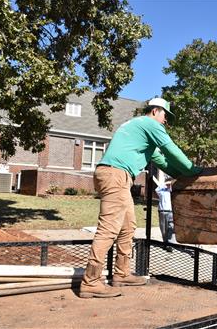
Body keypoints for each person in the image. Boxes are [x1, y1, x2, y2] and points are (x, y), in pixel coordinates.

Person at [79, 97, 202, 298]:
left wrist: (183, 175)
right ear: (155, 111)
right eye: (165, 116)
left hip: (116, 176)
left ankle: (121, 274)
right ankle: (91, 281)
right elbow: (171, 150)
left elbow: (163, 162)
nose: (166, 121)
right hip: (115, 175)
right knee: (108, 229)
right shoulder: (149, 124)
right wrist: (193, 170)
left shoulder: (139, 131)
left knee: (128, 226)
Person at [156, 180, 175, 251]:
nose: (168, 185)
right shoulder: (161, 191)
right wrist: (164, 183)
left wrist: (171, 183)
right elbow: (157, 189)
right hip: (162, 211)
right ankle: (165, 243)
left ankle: (170, 244)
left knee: (171, 227)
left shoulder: (171, 191)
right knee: (163, 228)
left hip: (170, 211)